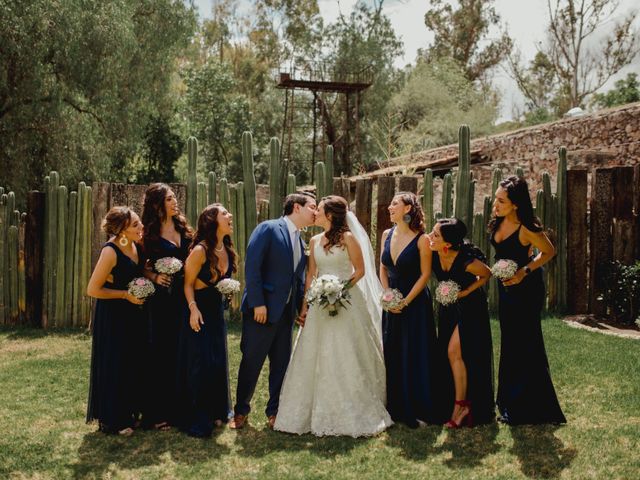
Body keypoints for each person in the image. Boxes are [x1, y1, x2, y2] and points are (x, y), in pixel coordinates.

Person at [274, 196, 392, 437]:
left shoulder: (348, 238)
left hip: (347, 301)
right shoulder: (315, 240)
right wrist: (306, 305)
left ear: (330, 215)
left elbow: (360, 271)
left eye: (318, 210)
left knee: (346, 349)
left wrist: (340, 290)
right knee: (314, 351)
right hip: (319, 303)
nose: (314, 213)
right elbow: (310, 276)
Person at [231, 193, 317, 429]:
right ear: (297, 208)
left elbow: (298, 280)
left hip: (286, 314)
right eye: (312, 207)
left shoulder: (300, 241)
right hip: (262, 311)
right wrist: (258, 303)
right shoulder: (268, 228)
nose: (316, 212)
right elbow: (253, 267)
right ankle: (240, 411)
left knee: (281, 365)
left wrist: (301, 306)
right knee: (252, 360)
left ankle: (275, 412)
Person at [490, 175, 566, 425]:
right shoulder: (497, 222)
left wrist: (524, 271)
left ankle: (534, 407)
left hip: (526, 288)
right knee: (510, 341)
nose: (495, 204)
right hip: (506, 288)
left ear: (515, 204)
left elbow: (549, 251)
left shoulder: (527, 228)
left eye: (501, 201)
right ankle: (510, 403)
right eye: (496, 199)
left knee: (527, 342)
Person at [379, 192, 441, 427]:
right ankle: (395, 407)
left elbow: (425, 275)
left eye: (395, 203)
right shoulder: (386, 234)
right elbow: (383, 268)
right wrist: (388, 295)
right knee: (393, 350)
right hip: (391, 300)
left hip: (414, 302)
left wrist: (405, 301)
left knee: (415, 352)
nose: (390, 207)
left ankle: (419, 407)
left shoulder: (422, 239)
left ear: (407, 209)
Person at [175, 204, 237, 437]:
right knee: (199, 363)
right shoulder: (200, 250)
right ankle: (196, 417)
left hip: (215, 311)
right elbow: (187, 284)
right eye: (224, 213)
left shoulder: (226, 248)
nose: (230, 215)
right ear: (212, 220)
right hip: (197, 311)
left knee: (216, 360)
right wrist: (193, 309)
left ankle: (215, 411)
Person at [428, 218, 495, 428]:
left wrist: (466, 291)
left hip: (470, 309)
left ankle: (461, 407)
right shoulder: (432, 254)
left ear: (447, 244)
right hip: (448, 309)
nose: (431, 237)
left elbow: (487, 273)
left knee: (453, 351)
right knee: (452, 356)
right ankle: (456, 404)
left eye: (436, 235)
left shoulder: (466, 260)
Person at [86, 207, 145, 436]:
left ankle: (129, 413)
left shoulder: (134, 246)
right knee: (115, 363)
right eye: (135, 225)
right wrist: (124, 295)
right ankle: (114, 419)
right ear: (121, 230)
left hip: (132, 313)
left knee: (131, 361)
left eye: (139, 223)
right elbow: (93, 289)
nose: (140, 228)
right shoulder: (110, 252)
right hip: (112, 315)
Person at [140, 183, 193, 430]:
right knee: (161, 352)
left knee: (182, 350)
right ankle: (157, 412)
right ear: (156, 204)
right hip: (161, 301)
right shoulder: (148, 234)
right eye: (169, 199)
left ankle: (181, 407)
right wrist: (154, 277)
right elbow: (139, 265)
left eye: (174, 198)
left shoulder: (183, 227)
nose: (175, 202)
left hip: (184, 296)